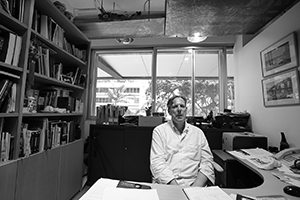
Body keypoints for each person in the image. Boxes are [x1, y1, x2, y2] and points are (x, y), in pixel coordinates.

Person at [150, 95, 215, 187]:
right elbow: (157, 163)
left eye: (182, 106)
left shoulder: (198, 133)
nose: (179, 109)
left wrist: (195, 188)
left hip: (195, 184)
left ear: (186, 109)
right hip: (168, 184)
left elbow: (207, 162)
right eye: (175, 106)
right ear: (169, 111)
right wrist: (177, 189)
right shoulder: (160, 131)